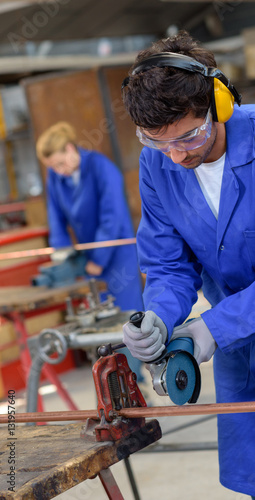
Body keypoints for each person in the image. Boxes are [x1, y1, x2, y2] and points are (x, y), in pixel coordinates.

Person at [121, 31, 255, 499]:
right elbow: (168, 264)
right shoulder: (157, 165)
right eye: (158, 142)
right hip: (243, 348)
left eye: (189, 136)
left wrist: (215, 327)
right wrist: (160, 315)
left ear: (219, 103)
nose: (177, 155)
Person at [36, 121, 144, 381]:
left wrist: (98, 258)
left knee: (126, 321)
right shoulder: (56, 176)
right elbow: (56, 217)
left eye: (61, 164)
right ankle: (112, 384)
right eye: (53, 168)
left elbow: (113, 218)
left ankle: (134, 382)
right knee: (98, 323)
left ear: (71, 149)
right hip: (88, 259)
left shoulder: (102, 168)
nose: (59, 172)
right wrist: (62, 255)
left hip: (116, 255)